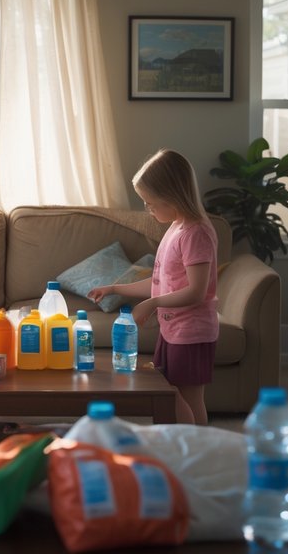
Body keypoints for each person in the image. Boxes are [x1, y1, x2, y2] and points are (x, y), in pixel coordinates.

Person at [87, 149, 218, 425]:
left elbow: (196, 291)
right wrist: (115, 289)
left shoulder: (196, 234)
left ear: (173, 196)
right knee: (169, 392)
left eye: (150, 202)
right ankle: (176, 444)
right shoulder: (175, 227)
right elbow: (160, 283)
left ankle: (196, 450)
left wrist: (154, 304)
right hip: (173, 330)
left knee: (187, 397)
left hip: (192, 332)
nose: (148, 209)